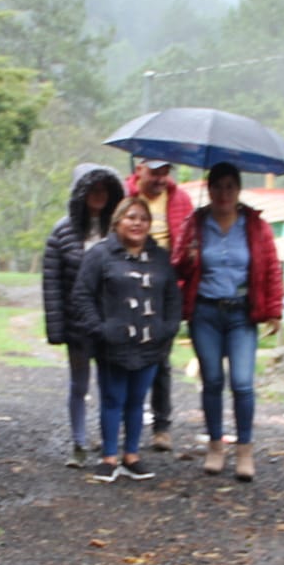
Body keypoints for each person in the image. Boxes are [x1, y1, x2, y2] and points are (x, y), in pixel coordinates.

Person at [173, 161, 283, 482]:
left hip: (240, 312)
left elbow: (271, 266)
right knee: (212, 380)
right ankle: (215, 446)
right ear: (208, 189)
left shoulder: (254, 225)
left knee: (242, 382)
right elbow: (177, 267)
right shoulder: (195, 224)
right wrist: (188, 257)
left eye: (229, 187)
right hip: (205, 311)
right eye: (217, 187)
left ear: (238, 190)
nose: (223, 193)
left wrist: (274, 309)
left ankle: (245, 449)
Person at [70, 196, 181, 482]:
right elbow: (82, 295)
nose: (137, 223)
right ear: (118, 221)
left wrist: (167, 328)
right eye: (131, 217)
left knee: (137, 399)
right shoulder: (100, 254)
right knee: (112, 398)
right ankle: (109, 457)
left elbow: (171, 295)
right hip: (112, 343)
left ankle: (132, 455)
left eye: (143, 219)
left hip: (150, 341)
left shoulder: (159, 257)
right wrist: (100, 329)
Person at [41, 162, 126, 467]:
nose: (99, 195)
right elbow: (51, 282)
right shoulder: (62, 231)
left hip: (109, 323)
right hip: (77, 324)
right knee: (79, 384)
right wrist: (56, 328)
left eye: (104, 189)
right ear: (81, 193)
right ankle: (78, 443)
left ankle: (109, 442)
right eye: (93, 189)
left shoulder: (117, 232)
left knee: (110, 384)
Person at [131, 157, 192, 452]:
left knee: (161, 359)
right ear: (139, 170)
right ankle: (124, 421)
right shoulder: (125, 196)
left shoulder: (180, 199)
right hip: (129, 287)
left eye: (165, 172)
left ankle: (162, 425)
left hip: (167, 288)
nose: (160, 179)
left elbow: (190, 237)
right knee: (126, 354)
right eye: (154, 172)